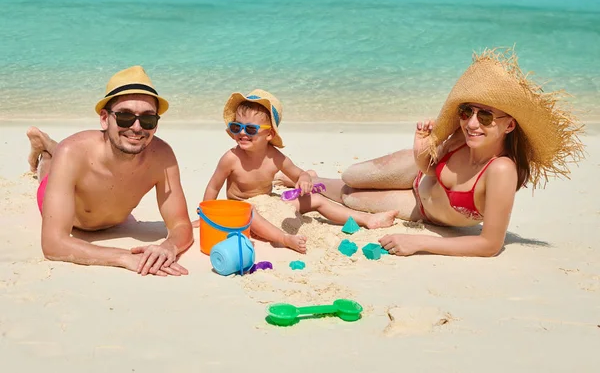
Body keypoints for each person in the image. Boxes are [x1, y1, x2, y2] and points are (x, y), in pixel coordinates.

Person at [280, 49, 583, 257]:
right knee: (351, 177)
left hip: (420, 208)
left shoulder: (501, 170)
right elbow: (426, 167)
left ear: (509, 125)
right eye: (467, 111)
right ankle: (307, 178)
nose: (472, 123)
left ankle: (311, 183)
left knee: (350, 196)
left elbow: (490, 244)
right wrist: (420, 145)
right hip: (418, 175)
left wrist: (419, 243)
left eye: (486, 116)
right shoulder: (462, 138)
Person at [27, 66, 193, 276]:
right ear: (105, 119)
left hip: (111, 214)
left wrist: (169, 246)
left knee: (64, 154)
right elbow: (53, 244)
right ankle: (47, 150)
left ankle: (51, 146)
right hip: (76, 218)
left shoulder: (163, 156)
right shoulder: (73, 152)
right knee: (52, 167)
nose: (137, 127)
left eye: (148, 119)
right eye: (125, 116)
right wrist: (123, 257)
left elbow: (180, 224)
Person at [200, 90, 398, 254]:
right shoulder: (231, 158)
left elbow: (299, 173)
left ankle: (367, 219)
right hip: (242, 209)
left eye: (250, 129)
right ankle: (283, 238)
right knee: (251, 212)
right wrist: (205, 217)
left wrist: (304, 180)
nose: (242, 132)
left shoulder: (274, 157)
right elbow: (213, 186)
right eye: (237, 126)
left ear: (269, 134)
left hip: (270, 203)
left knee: (316, 199)